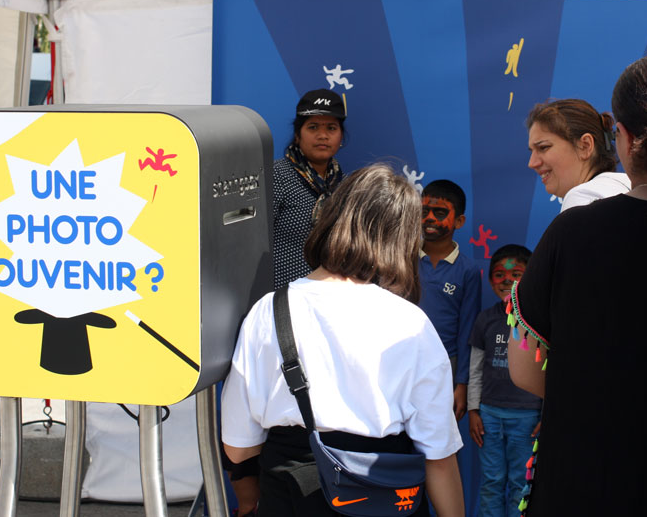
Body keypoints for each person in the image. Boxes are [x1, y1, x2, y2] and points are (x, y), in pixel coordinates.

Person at [508, 54, 647, 515]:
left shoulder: (572, 232)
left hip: (591, 475)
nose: (535, 161)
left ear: (622, 137)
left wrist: (592, 387)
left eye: (543, 148)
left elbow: (524, 367)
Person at [222, 164, 465, 516]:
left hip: (290, 494)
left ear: (332, 218)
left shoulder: (268, 312)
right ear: (400, 241)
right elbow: (439, 457)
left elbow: (238, 448)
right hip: (385, 496)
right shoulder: (411, 323)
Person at [467, 244, 541, 517]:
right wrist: (474, 409)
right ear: (490, 280)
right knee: (492, 482)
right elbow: (475, 369)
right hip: (489, 417)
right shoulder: (485, 320)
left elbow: (551, 372)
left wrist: (547, 413)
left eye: (517, 273)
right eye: (499, 274)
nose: (507, 280)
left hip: (527, 419)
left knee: (521, 485)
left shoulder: (540, 321)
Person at [419, 179, 482, 421]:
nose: (430, 218)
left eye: (440, 212)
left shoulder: (467, 271)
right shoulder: (401, 259)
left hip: (446, 364)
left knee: (441, 439)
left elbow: (469, 330)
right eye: (424, 212)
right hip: (403, 361)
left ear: (459, 221)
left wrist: (462, 383)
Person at [272, 89, 346, 288]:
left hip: (331, 299)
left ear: (341, 137)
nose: (322, 135)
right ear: (297, 135)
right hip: (284, 297)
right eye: (313, 127)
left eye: (331, 128)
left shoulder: (345, 186)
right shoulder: (277, 175)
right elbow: (254, 243)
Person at [526, 98, 630, 211]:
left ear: (585, 146)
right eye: (532, 151)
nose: (532, 163)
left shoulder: (582, 197)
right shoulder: (634, 189)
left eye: (543, 147)